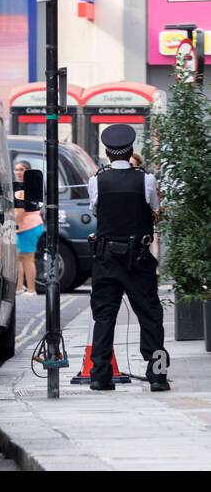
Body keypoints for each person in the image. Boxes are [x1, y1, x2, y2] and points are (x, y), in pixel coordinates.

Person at [87, 124, 168, 392]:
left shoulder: (96, 180)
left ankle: (99, 375)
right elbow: (155, 209)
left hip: (106, 256)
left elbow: (97, 210)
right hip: (139, 257)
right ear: (131, 150)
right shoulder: (146, 180)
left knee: (104, 316)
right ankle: (157, 375)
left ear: (108, 153)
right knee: (150, 315)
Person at [13, 161, 44, 296]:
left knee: (27, 258)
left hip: (28, 227)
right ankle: (20, 288)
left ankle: (30, 289)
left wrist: (10, 226)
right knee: (20, 258)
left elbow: (19, 213)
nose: (18, 172)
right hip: (29, 226)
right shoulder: (27, 187)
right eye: (16, 169)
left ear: (28, 172)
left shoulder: (22, 191)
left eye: (22, 169)